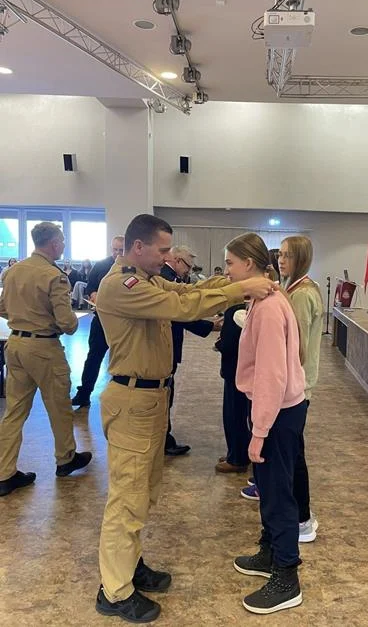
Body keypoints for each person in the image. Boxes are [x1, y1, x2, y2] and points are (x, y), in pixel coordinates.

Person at [94, 214, 276, 624]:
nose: (166, 257)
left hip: (151, 400)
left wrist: (226, 284)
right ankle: (114, 590)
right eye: (162, 250)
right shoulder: (122, 285)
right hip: (132, 401)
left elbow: (188, 290)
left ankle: (129, 564)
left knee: (143, 493)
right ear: (137, 247)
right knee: (127, 498)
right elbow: (182, 306)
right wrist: (241, 288)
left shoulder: (148, 279)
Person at [226, 232, 307, 615]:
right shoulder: (262, 300)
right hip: (273, 409)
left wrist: (259, 432)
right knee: (269, 487)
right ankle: (270, 551)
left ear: (248, 264)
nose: (227, 270)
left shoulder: (271, 307)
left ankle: (287, 577)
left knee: (277, 494)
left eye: (230, 263)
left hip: (277, 413)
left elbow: (272, 376)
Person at [240, 237, 323, 545]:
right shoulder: (296, 289)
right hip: (296, 384)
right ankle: (300, 516)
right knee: (293, 455)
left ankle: (300, 519)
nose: (282, 260)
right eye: (281, 255)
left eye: (289, 256)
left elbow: (294, 348)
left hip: (293, 387)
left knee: (292, 459)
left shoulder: (300, 295)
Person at [0, 222, 92, 497]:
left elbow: (2, 307)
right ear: (53, 243)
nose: (63, 245)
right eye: (62, 241)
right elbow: (68, 324)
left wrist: (24, 318)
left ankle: (4, 473)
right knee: (59, 407)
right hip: (44, 348)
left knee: (14, 412)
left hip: (15, 345)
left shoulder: (13, 271)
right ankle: (66, 458)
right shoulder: (54, 276)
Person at [160, 245, 218, 456]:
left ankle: (164, 436)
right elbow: (180, 313)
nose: (189, 270)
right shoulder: (166, 278)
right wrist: (210, 325)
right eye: (188, 265)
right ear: (177, 260)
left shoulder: (173, 278)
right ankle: (164, 438)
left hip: (169, 344)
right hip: (164, 346)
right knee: (165, 392)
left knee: (167, 391)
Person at [71, 236, 124, 409]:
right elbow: (90, 287)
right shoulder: (101, 265)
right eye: (115, 249)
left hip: (123, 323)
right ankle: (84, 393)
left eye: (121, 250)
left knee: (122, 359)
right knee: (94, 356)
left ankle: (118, 397)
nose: (118, 253)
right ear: (111, 248)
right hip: (101, 319)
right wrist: (94, 295)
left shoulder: (132, 268)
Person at [214, 302, 251, 473]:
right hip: (246, 370)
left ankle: (237, 458)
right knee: (242, 414)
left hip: (235, 371)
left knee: (234, 415)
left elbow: (228, 343)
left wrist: (218, 345)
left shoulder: (235, 311)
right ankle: (239, 453)